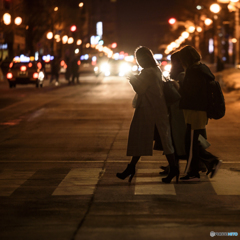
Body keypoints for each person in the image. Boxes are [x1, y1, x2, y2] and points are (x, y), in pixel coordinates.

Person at [116, 46, 179, 184]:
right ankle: (132, 167)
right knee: (163, 139)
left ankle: (132, 168)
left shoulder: (147, 72)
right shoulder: (155, 70)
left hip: (148, 110)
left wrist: (132, 79)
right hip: (158, 109)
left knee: (142, 138)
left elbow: (140, 88)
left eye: (138, 59)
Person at [178, 45, 222, 181]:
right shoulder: (202, 69)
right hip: (198, 111)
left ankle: (193, 173)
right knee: (193, 141)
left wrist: (179, 89)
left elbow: (191, 93)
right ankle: (210, 162)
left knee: (190, 143)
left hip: (195, 111)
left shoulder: (194, 71)